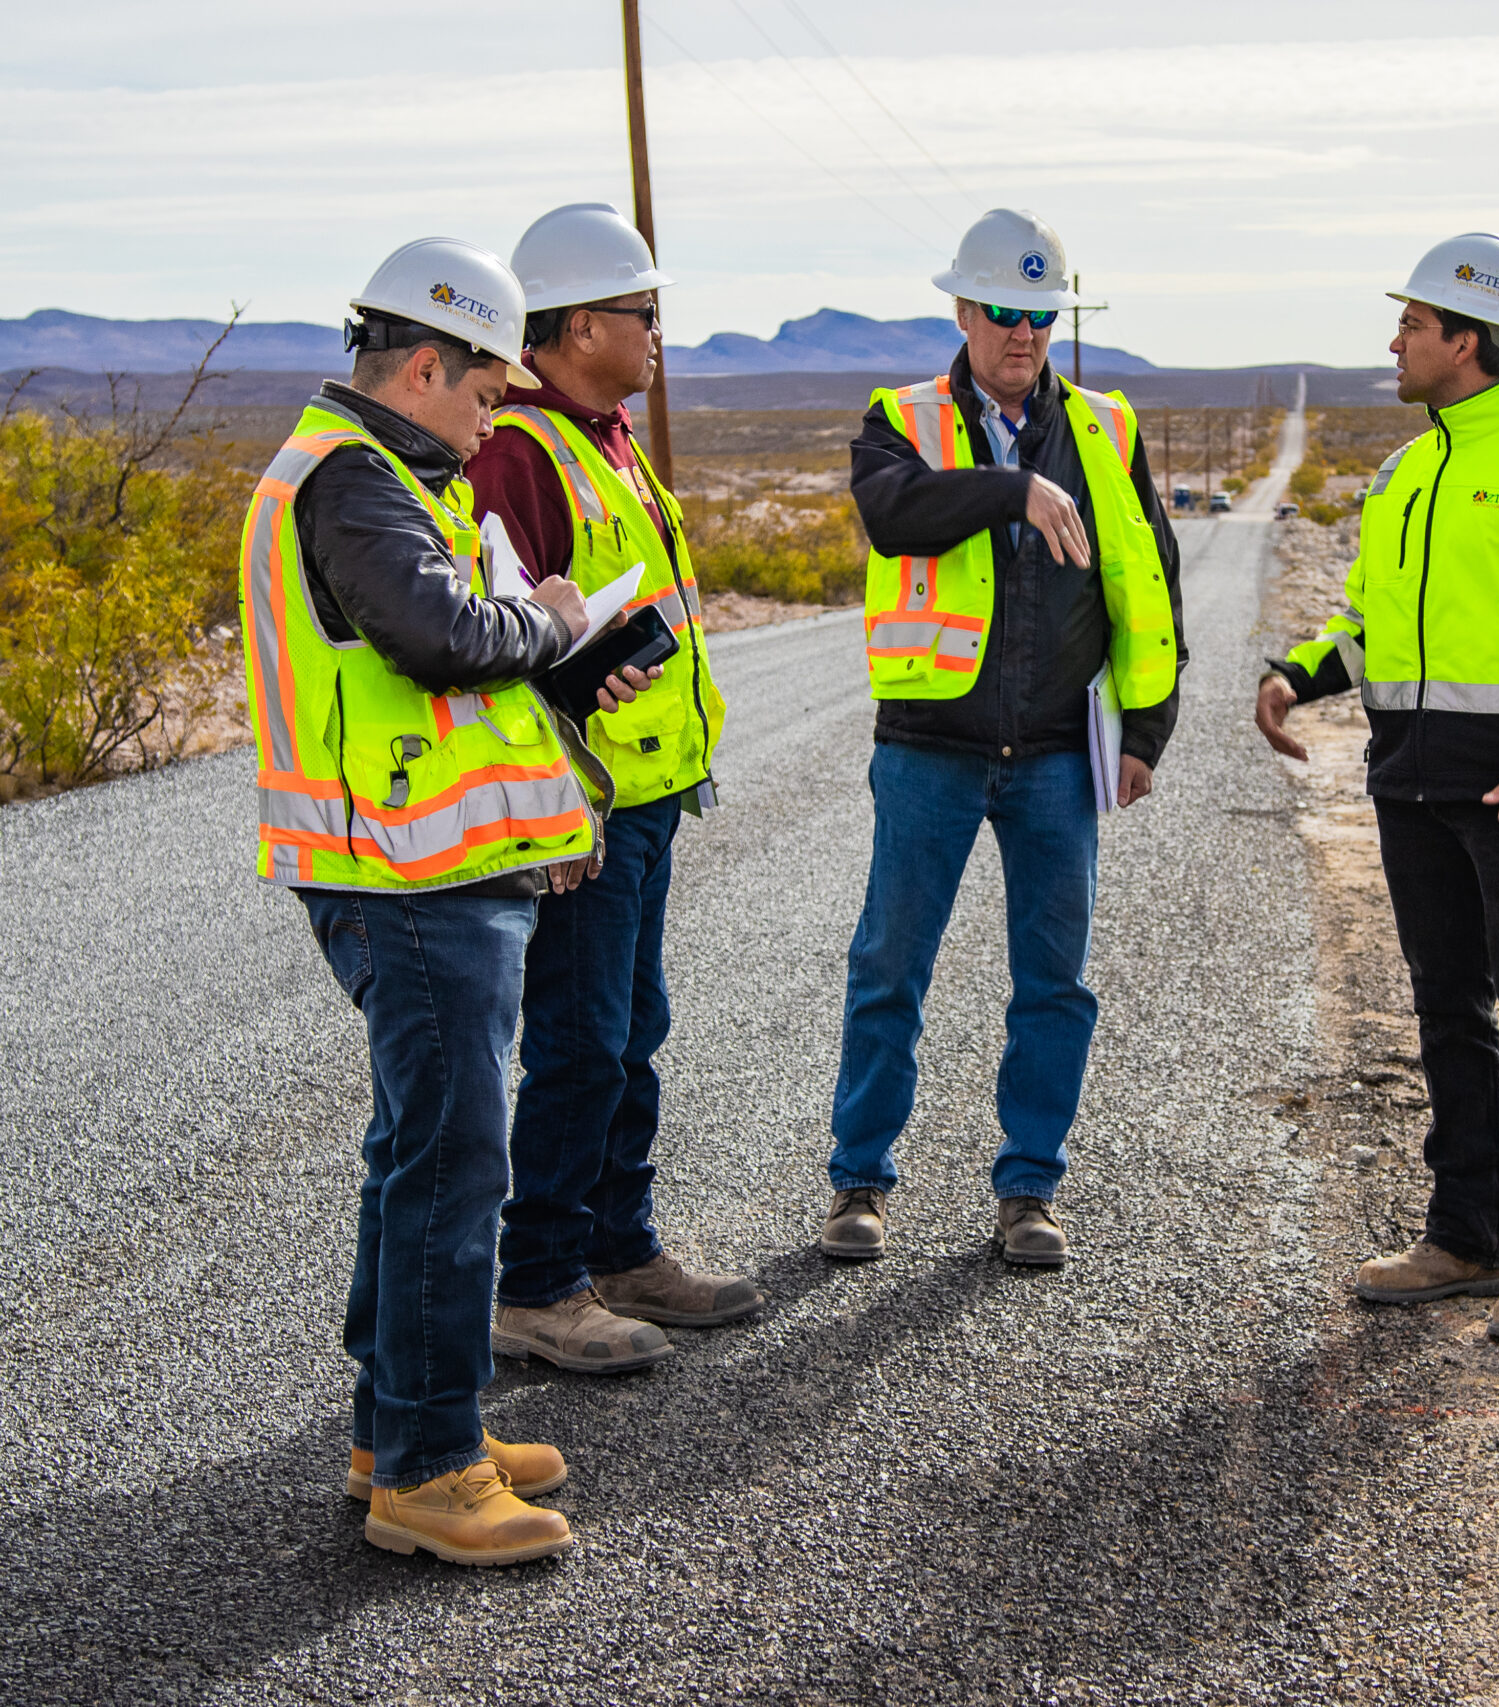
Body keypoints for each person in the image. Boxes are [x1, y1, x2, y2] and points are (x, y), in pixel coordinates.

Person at [241, 236, 654, 1564]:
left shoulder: (391, 474)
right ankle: (426, 1464)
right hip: (400, 878)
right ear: (426, 362)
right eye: (483, 391)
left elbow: (440, 674)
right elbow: (444, 639)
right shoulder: (354, 482)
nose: (492, 420)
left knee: (421, 1152)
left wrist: (558, 720)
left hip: (429, 868)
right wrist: (552, 616)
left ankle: (402, 1427)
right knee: (449, 1166)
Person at [1255, 233, 1499, 1345]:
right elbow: (1370, 624)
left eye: (1413, 327)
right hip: (1411, 777)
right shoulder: (1402, 472)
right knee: (1444, 1007)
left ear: (1466, 341)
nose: (1394, 342)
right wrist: (1297, 676)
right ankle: (1465, 1237)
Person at [820, 208, 1184, 1267]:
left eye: (1039, 314)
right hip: (931, 749)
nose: (1022, 333)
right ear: (962, 310)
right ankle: (859, 1180)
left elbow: (1148, 577)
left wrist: (1146, 729)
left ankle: (1029, 1189)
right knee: (890, 965)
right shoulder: (901, 418)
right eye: (1002, 313)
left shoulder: (1109, 430)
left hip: (1062, 757)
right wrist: (1014, 490)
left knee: (1054, 982)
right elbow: (894, 514)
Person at [467, 203, 758, 1375]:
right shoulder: (521, 452)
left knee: (631, 1032)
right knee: (581, 1041)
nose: (656, 335)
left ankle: (619, 1249)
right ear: (580, 324)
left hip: (644, 792)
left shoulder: (606, 434)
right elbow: (490, 633)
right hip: (579, 802)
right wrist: (581, 682)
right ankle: (538, 1282)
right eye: (644, 314)